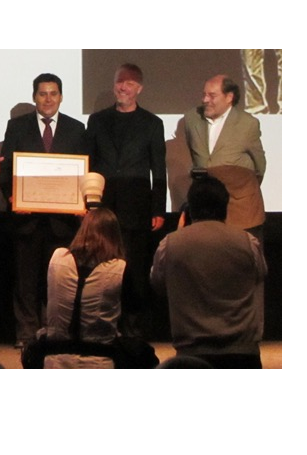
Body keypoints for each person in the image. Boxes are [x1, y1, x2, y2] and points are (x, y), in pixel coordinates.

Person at [0, 73, 89, 349]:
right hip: (26, 219)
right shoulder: (17, 126)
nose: (48, 99)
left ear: (61, 97)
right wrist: (13, 197)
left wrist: (81, 201)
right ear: (34, 97)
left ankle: (56, 332)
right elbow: (6, 168)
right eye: (42, 94)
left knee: (59, 281)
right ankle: (26, 334)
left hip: (63, 221)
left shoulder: (76, 129)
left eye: (53, 93)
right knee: (25, 282)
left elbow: (85, 170)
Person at [84, 63, 166, 334]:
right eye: (119, 82)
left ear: (139, 89)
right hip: (103, 206)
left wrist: (158, 209)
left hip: (137, 207)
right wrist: (86, 202)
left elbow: (159, 170)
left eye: (129, 83)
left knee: (135, 270)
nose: (123, 87)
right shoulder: (97, 120)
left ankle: (132, 330)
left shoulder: (152, 123)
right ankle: (103, 327)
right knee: (102, 266)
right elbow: (88, 163)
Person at [150, 177, 267, 368]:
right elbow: (260, 275)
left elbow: (158, 284)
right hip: (243, 352)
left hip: (191, 354)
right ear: (225, 207)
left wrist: (179, 232)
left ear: (190, 209)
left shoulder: (169, 244)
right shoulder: (249, 241)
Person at [183, 74, 267, 245]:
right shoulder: (192, 119)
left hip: (242, 211)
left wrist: (241, 186)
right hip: (206, 209)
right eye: (204, 94)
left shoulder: (247, 123)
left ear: (229, 97)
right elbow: (196, 157)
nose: (205, 100)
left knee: (244, 256)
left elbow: (260, 166)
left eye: (212, 95)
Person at [39, 208, 127, 369]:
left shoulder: (57, 258)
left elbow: (46, 298)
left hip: (55, 359)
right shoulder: (120, 268)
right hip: (100, 360)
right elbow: (132, 308)